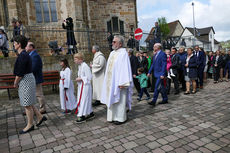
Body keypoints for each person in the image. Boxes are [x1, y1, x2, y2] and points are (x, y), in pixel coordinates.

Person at [13, 35, 47, 134]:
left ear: (19, 44)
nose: (13, 44)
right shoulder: (23, 54)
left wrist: (15, 82)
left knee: (27, 105)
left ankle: (30, 125)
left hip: (25, 79)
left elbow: (20, 73)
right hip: (27, 79)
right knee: (29, 102)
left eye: (15, 43)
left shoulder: (23, 55)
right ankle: (40, 117)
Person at [101, 35, 133, 125]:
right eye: (113, 41)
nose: (112, 43)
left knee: (120, 101)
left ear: (120, 44)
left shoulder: (123, 53)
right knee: (111, 98)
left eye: (114, 42)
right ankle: (111, 117)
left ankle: (120, 118)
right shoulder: (112, 53)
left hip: (120, 82)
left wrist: (124, 82)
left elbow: (125, 68)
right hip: (111, 82)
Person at [25, 42, 46, 114]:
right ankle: (30, 109)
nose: (25, 47)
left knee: (39, 94)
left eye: (26, 46)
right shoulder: (30, 55)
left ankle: (42, 109)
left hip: (36, 78)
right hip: (31, 78)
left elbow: (33, 68)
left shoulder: (35, 56)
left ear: (31, 47)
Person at [74, 53, 94, 123]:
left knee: (84, 100)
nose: (74, 61)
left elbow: (89, 77)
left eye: (76, 59)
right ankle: (90, 112)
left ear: (80, 59)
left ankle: (82, 115)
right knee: (82, 99)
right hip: (81, 85)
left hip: (85, 86)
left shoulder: (85, 66)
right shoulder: (80, 66)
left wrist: (81, 79)